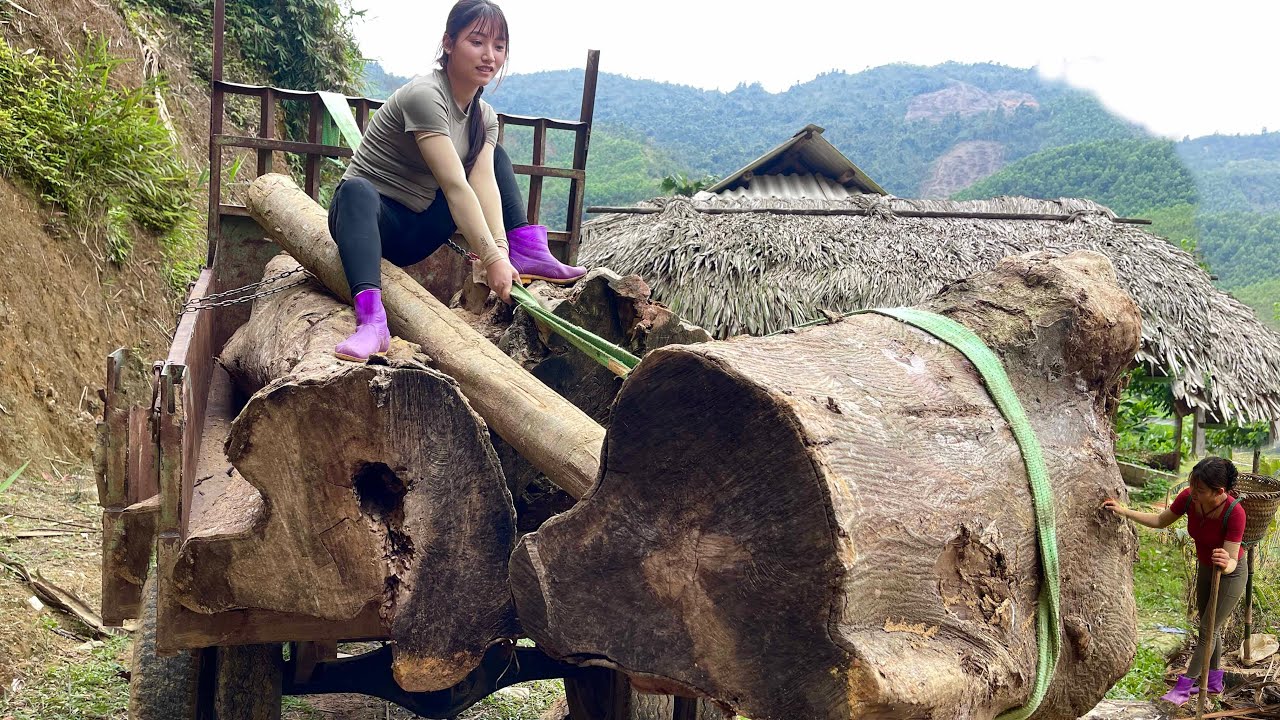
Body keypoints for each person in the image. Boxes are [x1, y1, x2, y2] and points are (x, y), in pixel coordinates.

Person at [328, 0, 586, 362]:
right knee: (355, 190)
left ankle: (524, 249)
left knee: (494, 157)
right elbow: (455, 187)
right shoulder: (425, 95)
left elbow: (484, 184)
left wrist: (500, 251)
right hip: (367, 222)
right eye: (477, 42)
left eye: (499, 46)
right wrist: (491, 258)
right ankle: (371, 323)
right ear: (448, 43)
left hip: (417, 231)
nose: (490, 56)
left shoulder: (484, 117)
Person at [1103, 456, 1247, 705]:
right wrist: (1124, 511)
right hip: (1206, 567)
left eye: (1200, 490)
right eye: (1192, 485)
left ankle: (1183, 688)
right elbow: (1160, 521)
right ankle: (1214, 682)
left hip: (1230, 574)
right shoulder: (1189, 498)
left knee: (1208, 629)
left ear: (1219, 492)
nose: (1193, 492)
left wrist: (1227, 563)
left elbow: (1233, 560)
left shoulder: (1235, 513)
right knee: (1209, 626)